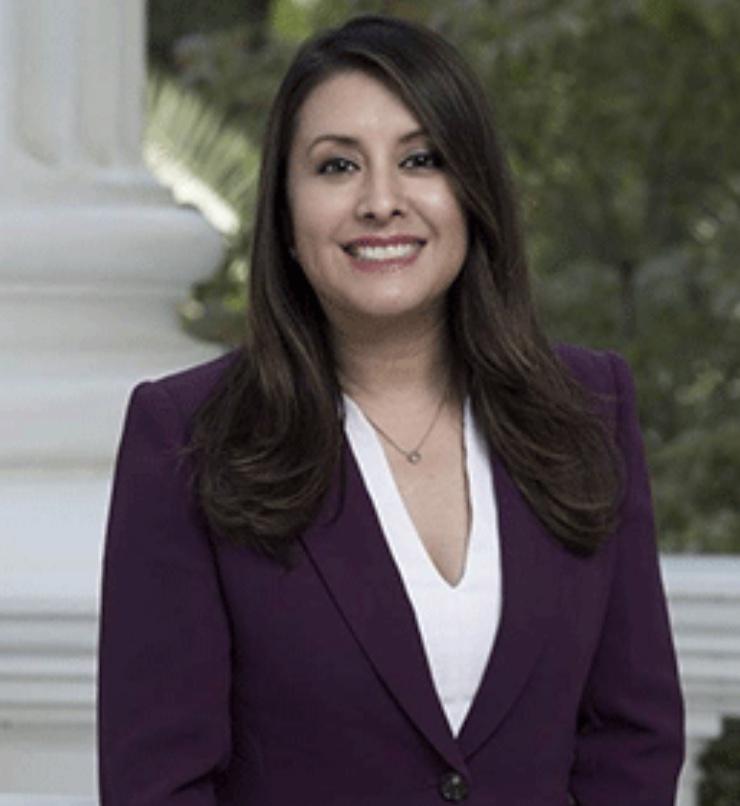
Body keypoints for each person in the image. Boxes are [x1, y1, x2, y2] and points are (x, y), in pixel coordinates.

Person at [97, 13, 684, 806]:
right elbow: (158, 785)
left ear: (473, 193)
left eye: (421, 159)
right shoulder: (188, 435)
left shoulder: (589, 408)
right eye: (337, 166)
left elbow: (633, 737)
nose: (381, 201)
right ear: (286, 214)